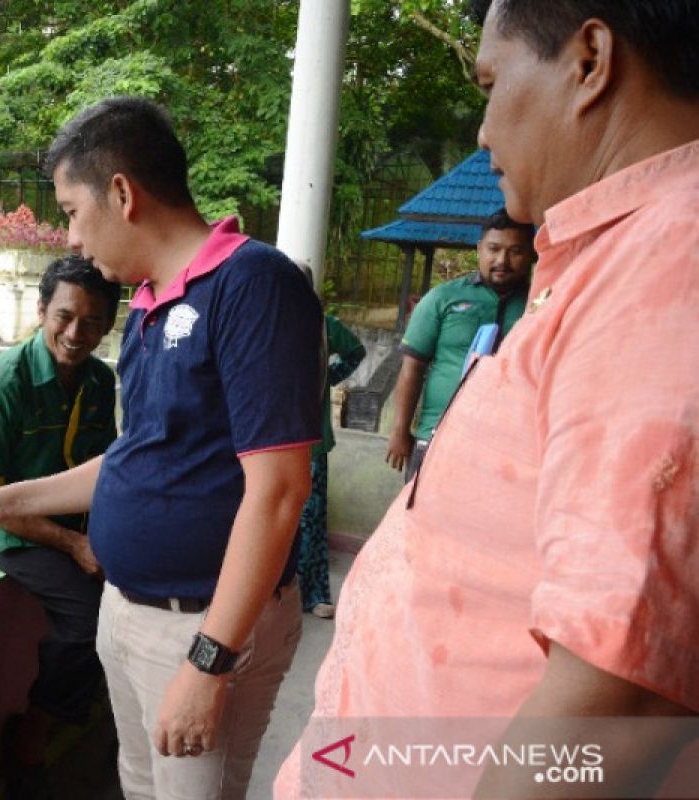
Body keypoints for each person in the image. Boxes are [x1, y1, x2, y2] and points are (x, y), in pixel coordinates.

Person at [277, 1, 699, 797]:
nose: (481, 130)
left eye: (491, 81)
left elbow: (614, 710)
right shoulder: (612, 259)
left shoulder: (670, 265)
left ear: (590, 62)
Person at [0, 97, 324, 800]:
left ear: (120, 193)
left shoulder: (251, 284)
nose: (71, 235)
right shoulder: (149, 306)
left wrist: (210, 662)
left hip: (200, 625)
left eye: (69, 210)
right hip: (129, 612)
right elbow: (135, 461)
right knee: (140, 786)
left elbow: (279, 491)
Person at [0, 254, 120, 793]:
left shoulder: (98, 381)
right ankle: (28, 741)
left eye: (93, 322)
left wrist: (102, 539)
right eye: (65, 316)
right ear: (41, 309)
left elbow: (103, 472)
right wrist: (73, 544)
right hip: (10, 536)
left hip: (76, 530)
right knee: (89, 618)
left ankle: (98, 712)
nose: (77, 333)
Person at [385, 208, 533, 480]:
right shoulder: (443, 298)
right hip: (437, 435)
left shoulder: (540, 305)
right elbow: (412, 368)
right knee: (420, 518)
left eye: (515, 251)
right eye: (494, 249)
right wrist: (399, 430)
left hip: (507, 447)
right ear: (479, 249)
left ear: (532, 253)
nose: (502, 260)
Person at [297, 313, 365, 620]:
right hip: (262, 441)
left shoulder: (324, 326)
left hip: (310, 442)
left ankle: (314, 595)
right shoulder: (260, 319)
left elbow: (356, 352)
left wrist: (329, 377)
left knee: (311, 519)